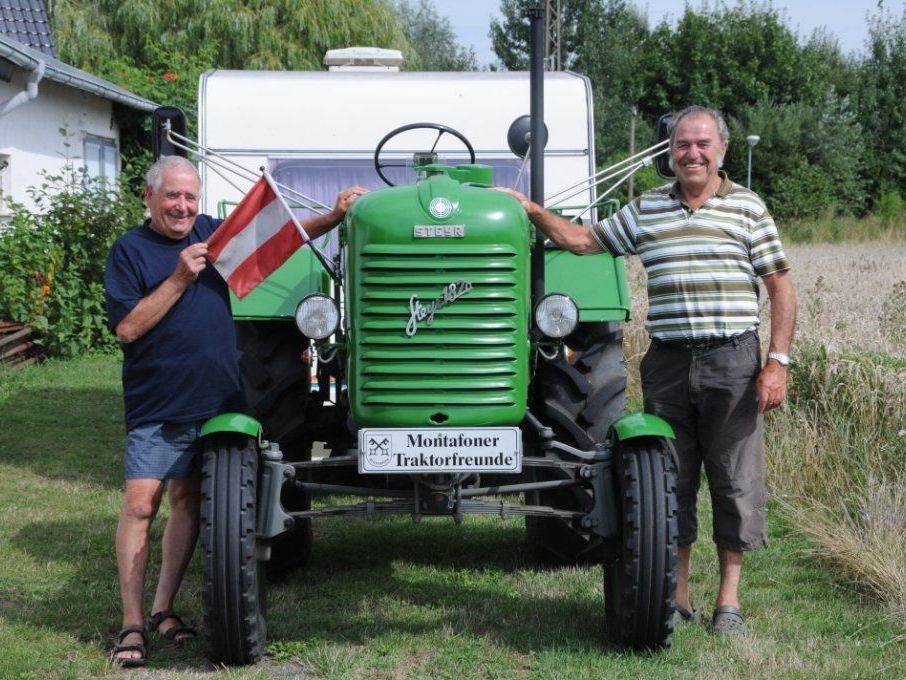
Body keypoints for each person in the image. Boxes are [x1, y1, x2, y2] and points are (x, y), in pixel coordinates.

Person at [498, 105, 796, 636]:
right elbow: (584, 241)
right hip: (668, 363)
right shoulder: (649, 208)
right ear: (670, 151)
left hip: (731, 360)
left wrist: (777, 362)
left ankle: (728, 601)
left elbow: (781, 287)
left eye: (702, 144)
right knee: (669, 479)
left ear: (722, 149)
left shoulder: (747, 208)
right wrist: (530, 209)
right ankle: (677, 596)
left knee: (734, 481)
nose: (692, 153)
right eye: (682, 144)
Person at [103, 155, 366, 666]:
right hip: (159, 400)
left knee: (188, 501)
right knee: (140, 505)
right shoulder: (129, 250)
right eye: (172, 195)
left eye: (190, 196)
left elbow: (281, 237)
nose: (182, 206)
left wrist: (333, 216)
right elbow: (128, 329)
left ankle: (163, 609)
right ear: (149, 197)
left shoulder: (210, 232)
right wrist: (179, 277)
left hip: (217, 398)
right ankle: (131, 624)